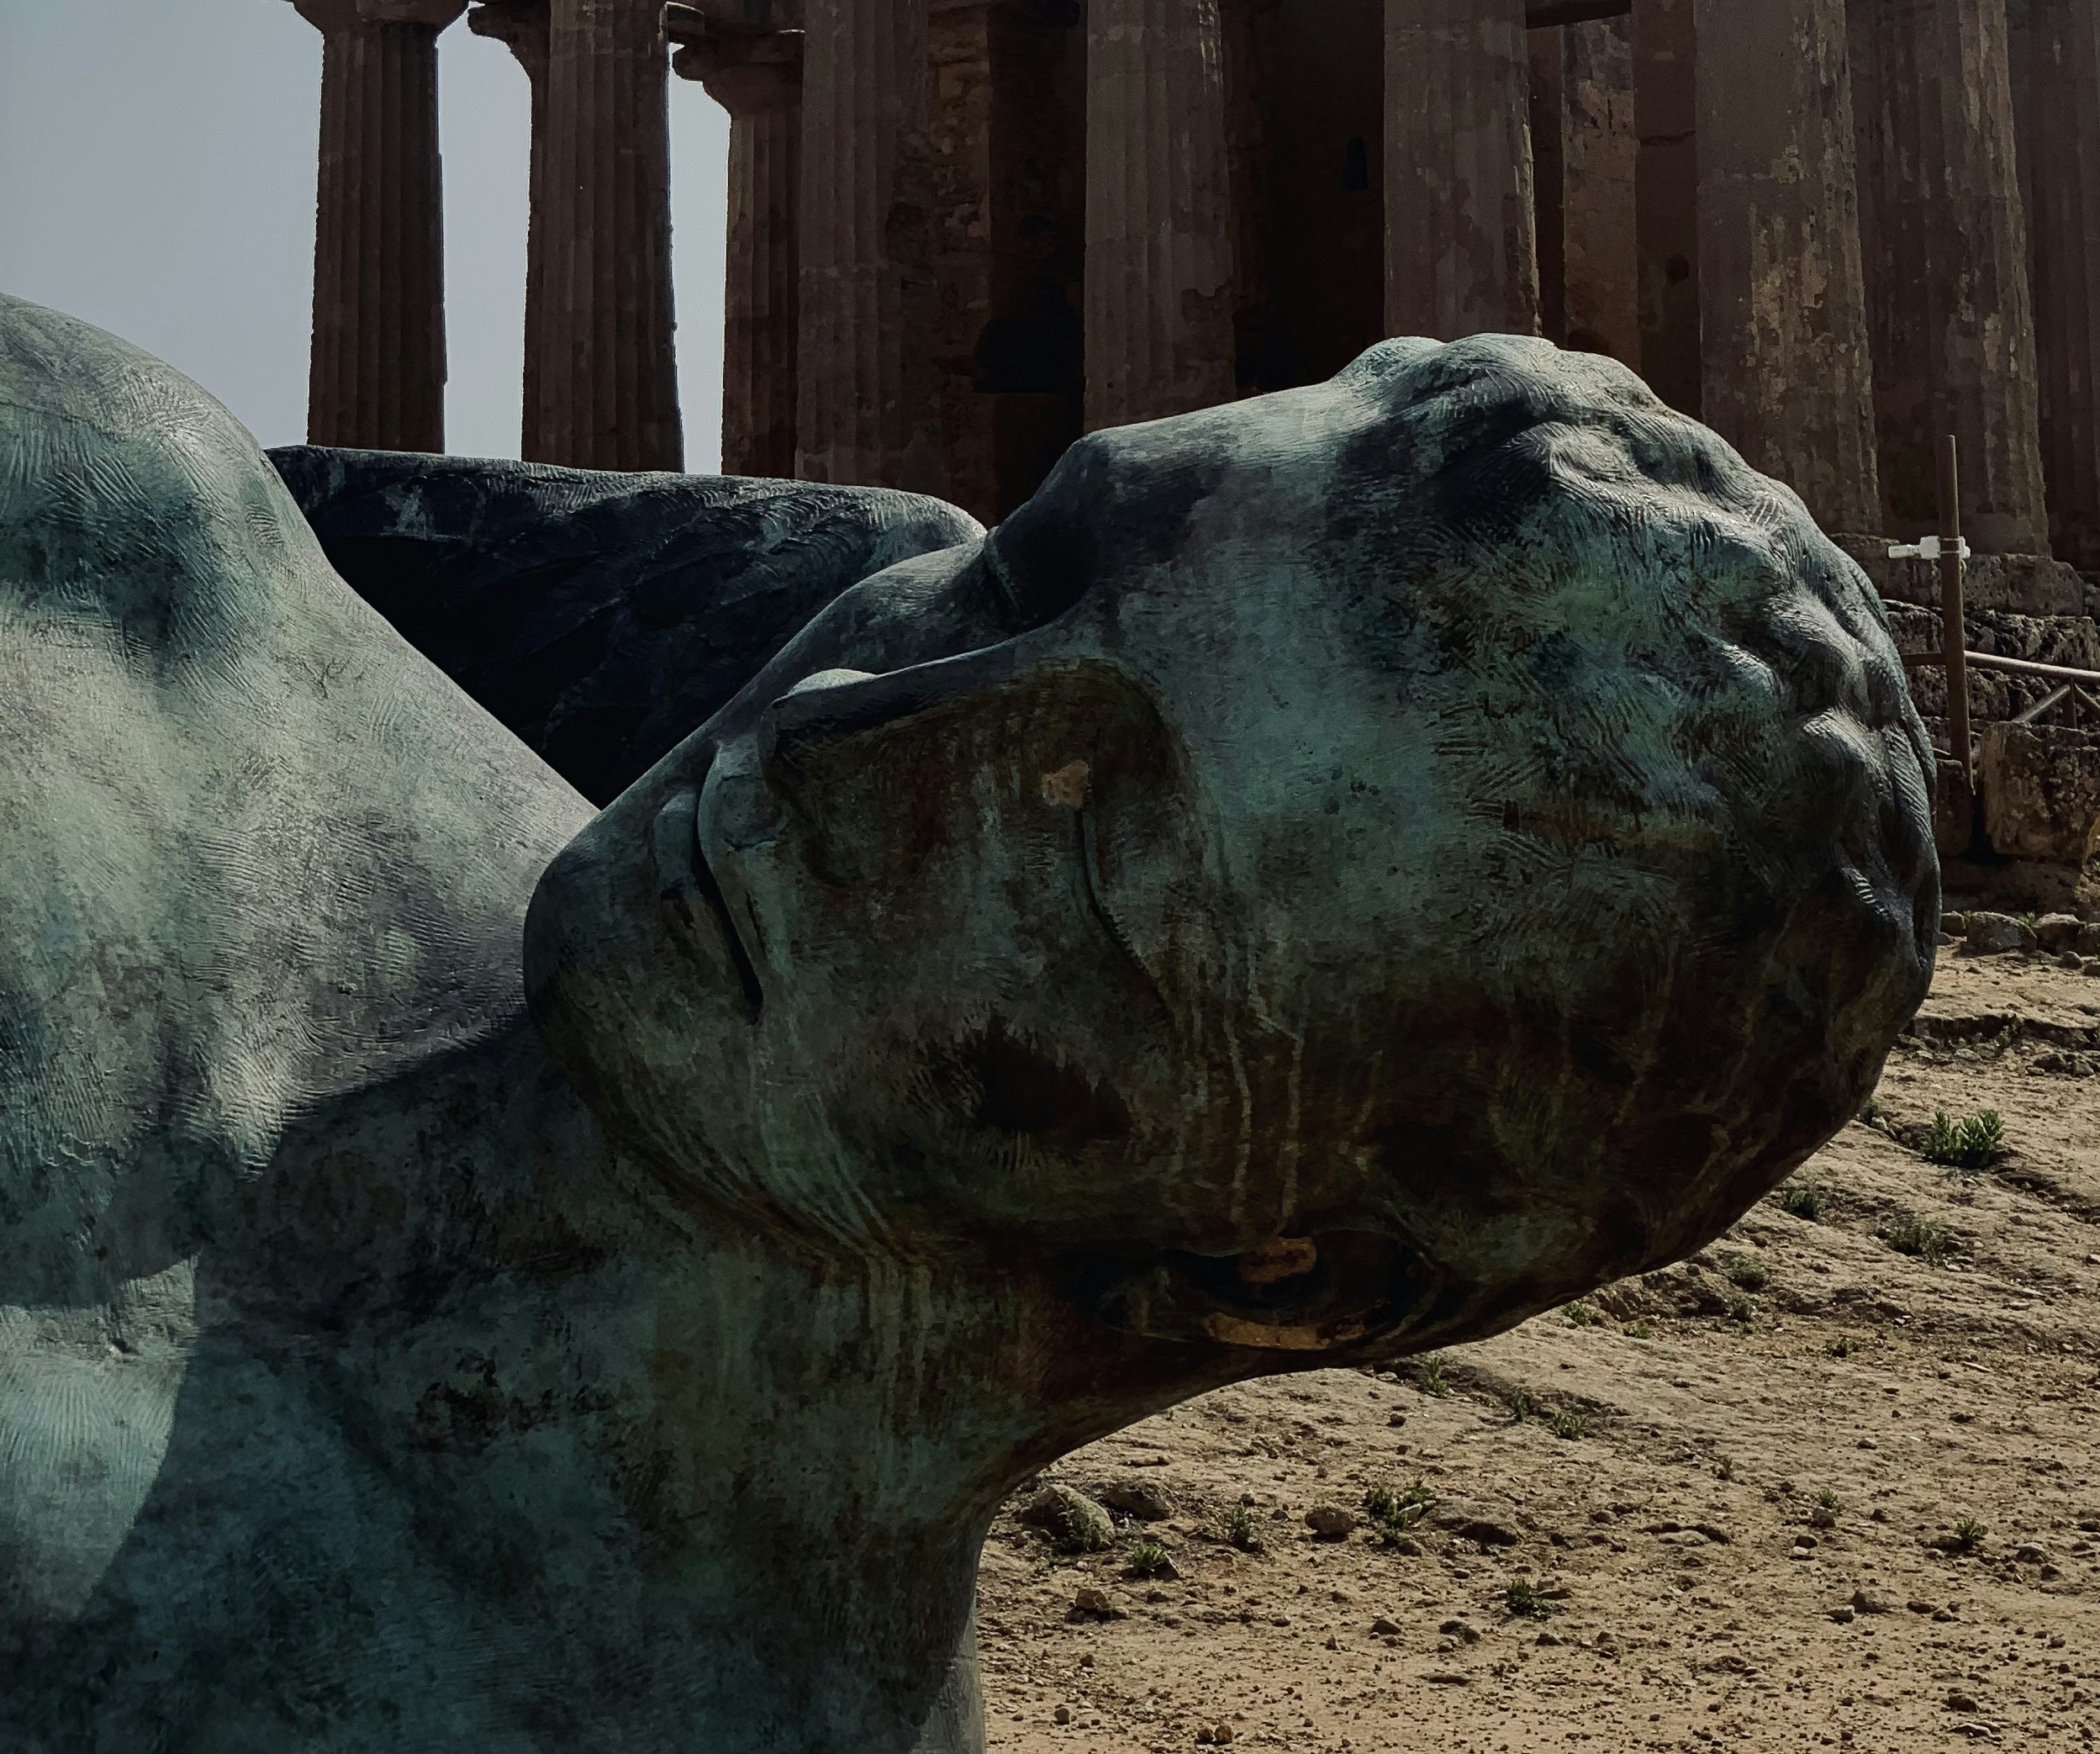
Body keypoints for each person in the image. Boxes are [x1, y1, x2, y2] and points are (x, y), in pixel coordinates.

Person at [0, 293, 1936, 1753]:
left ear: (1294, 1277)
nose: (836, 740)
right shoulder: (118, 533)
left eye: (1097, 867)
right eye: (1027, 566)